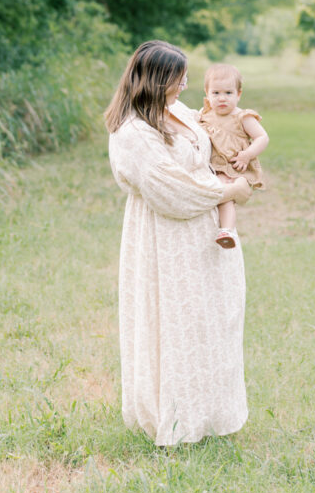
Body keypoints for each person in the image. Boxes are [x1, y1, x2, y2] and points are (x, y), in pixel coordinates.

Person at [105, 40, 253, 446]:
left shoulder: (178, 111)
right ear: (156, 80)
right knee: (177, 324)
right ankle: (176, 419)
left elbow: (215, 141)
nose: (186, 83)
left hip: (204, 235)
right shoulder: (133, 130)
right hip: (166, 238)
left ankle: (208, 414)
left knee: (209, 322)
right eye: (178, 77)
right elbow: (169, 189)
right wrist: (229, 192)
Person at [199, 63, 270, 249]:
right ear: (207, 93)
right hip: (213, 168)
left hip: (235, 167)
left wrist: (247, 155)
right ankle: (220, 230)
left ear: (238, 94)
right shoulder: (205, 115)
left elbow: (262, 137)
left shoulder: (243, 117)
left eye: (228, 93)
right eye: (216, 93)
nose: (222, 98)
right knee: (220, 191)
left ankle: (227, 230)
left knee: (227, 194)